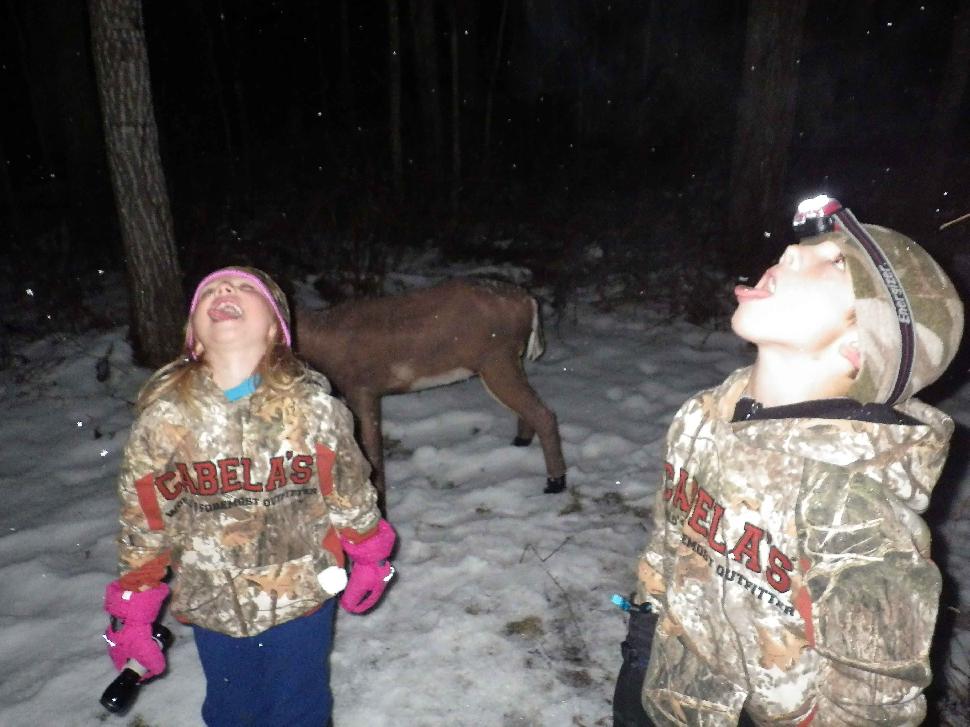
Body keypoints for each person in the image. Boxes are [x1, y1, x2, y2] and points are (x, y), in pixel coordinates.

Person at [613, 196, 964, 726]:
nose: (792, 254)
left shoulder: (855, 507)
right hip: (664, 685)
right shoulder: (701, 416)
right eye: (805, 246)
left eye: (837, 261)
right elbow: (671, 538)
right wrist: (645, 628)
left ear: (859, 348)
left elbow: (873, 699)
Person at [101, 267, 395, 726]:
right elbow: (145, 520)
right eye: (210, 292)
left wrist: (370, 555)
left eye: (243, 288)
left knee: (300, 708)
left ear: (276, 329)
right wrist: (134, 612)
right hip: (213, 601)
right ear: (194, 338)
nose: (224, 291)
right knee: (232, 711)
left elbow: (349, 490)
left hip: (301, 596)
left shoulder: (314, 411)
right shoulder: (162, 423)